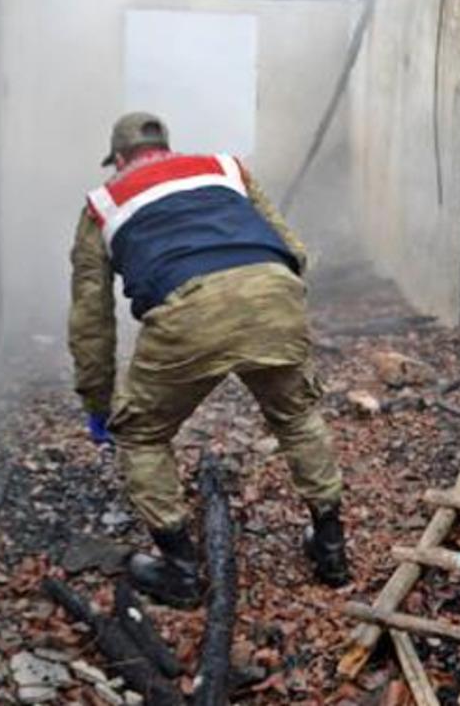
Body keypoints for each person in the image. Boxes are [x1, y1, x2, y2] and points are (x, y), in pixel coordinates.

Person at [68, 112, 349, 608]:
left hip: (187, 312)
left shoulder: (103, 203)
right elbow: (295, 250)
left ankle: (179, 570)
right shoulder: (225, 169)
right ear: (168, 148)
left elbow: (92, 320)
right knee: (297, 415)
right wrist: (271, 300)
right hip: (272, 292)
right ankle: (331, 549)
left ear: (119, 159)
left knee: (142, 433)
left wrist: (97, 401)